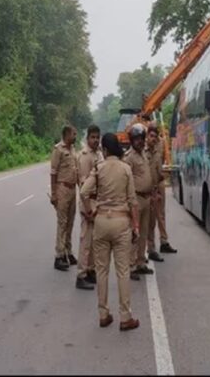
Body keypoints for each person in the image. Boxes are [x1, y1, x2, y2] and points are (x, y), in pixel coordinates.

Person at [80, 133, 140, 331]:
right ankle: (125, 317)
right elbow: (133, 201)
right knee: (122, 271)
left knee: (102, 270)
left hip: (101, 222)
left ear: (105, 150)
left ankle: (103, 314)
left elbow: (83, 192)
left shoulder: (99, 168)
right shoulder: (126, 169)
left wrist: (90, 211)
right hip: (121, 221)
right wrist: (136, 227)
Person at [123, 123, 153, 280]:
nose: (140, 141)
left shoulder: (144, 154)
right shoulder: (129, 157)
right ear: (132, 140)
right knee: (134, 234)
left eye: (142, 138)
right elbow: (125, 180)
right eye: (137, 139)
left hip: (147, 198)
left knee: (143, 233)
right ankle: (131, 265)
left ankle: (141, 262)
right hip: (135, 199)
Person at [75, 125, 103, 290]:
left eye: (97, 137)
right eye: (92, 137)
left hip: (96, 200)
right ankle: (81, 274)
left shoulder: (98, 154)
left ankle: (91, 270)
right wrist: (87, 209)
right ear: (87, 139)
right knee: (86, 241)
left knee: (94, 241)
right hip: (88, 201)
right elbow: (84, 185)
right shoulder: (85, 156)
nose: (95, 140)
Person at [146, 124, 177, 263]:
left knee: (161, 214)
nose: (153, 138)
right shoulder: (143, 149)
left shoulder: (161, 145)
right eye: (150, 135)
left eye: (155, 135)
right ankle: (150, 248)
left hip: (159, 183)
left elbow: (163, 161)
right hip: (148, 187)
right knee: (150, 219)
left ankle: (164, 242)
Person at [50, 125, 79, 271]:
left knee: (70, 222)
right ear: (67, 135)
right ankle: (59, 255)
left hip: (73, 189)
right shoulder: (58, 150)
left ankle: (68, 251)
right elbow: (53, 172)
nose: (75, 137)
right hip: (62, 188)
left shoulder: (73, 150)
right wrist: (54, 193)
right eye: (74, 134)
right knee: (62, 222)